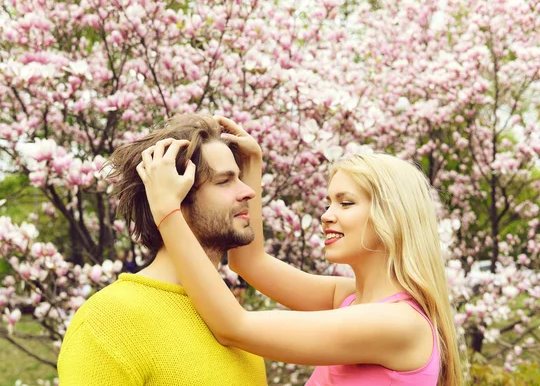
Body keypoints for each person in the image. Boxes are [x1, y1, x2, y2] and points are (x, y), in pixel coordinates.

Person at [137, 117, 464, 386]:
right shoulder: (349, 299)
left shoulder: (398, 323)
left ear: (391, 216)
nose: (326, 215)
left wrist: (168, 211)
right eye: (328, 202)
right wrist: (253, 165)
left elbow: (234, 327)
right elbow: (249, 263)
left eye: (345, 203)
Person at [57, 114, 267, 385]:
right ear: (174, 196)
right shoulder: (108, 321)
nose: (248, 191)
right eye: (224, 181)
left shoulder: (229, 314)